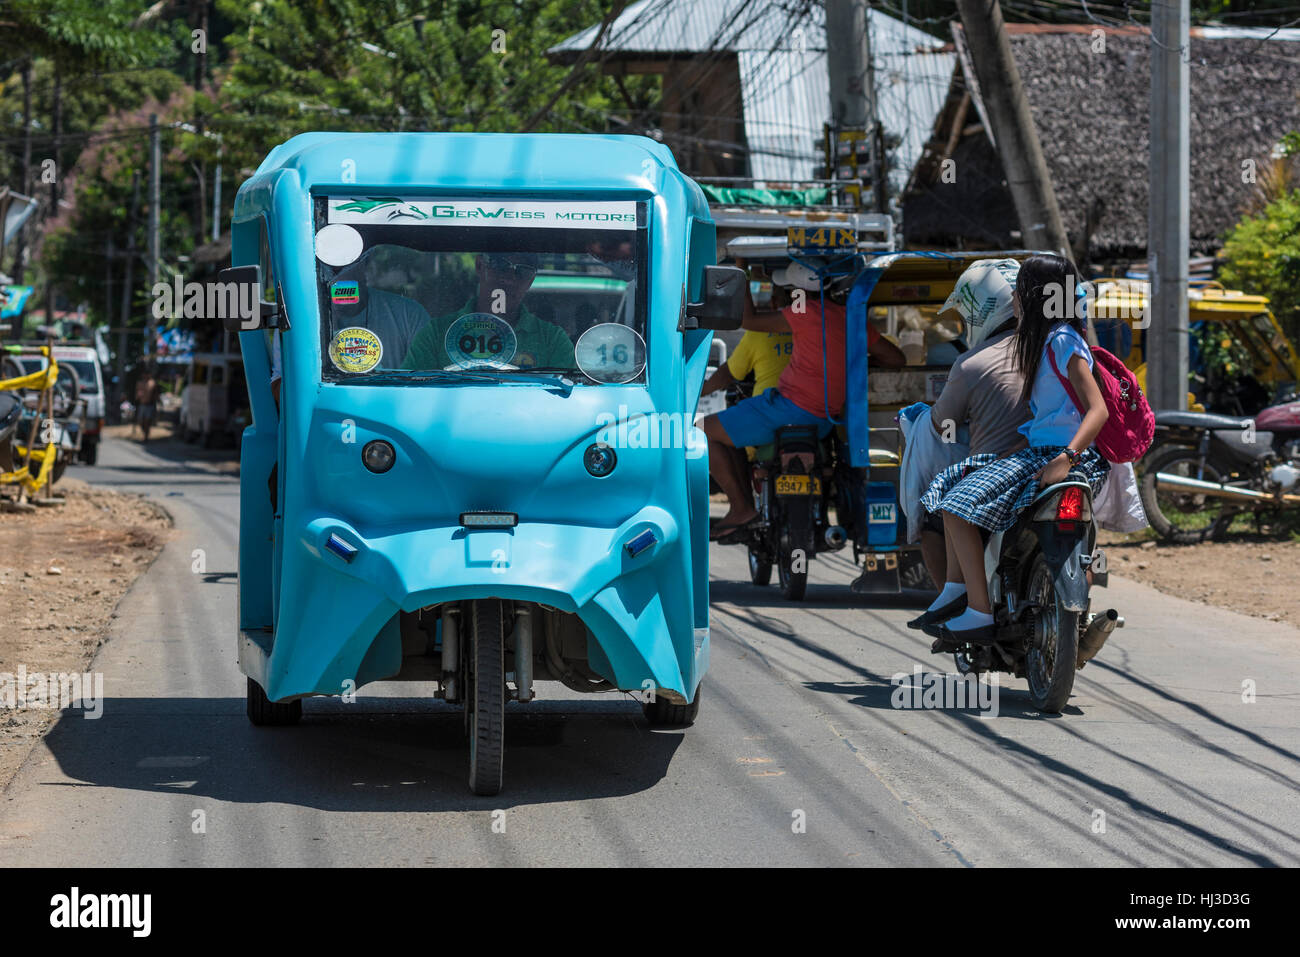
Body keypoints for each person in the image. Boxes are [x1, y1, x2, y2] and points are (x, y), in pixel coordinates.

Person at [918, 254, 1110, 648]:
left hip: (1058, 456)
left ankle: (976, 608)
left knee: (954, 506)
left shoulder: (1060, 340)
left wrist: (1067, 457)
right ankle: (961, 592)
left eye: (1020, 291)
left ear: (1033, 296)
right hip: (1038, 450)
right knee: (958, 481)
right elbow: (1053, 415)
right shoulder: (1048, 342)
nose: (1015, 300)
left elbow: (1098, 410)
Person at [702, 259, 906, 539]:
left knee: (702, 431)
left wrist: (742, 272)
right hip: (824, 421)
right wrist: (852, 359)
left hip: (786, 411)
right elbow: (896, 358)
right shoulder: (849, 317)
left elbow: (746, 320)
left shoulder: (803, 311)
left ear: (794, 291)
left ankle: (741, 508)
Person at [904, 259, 1030, 618]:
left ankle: (967, 603)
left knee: (939, 508)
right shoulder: (1053, 349)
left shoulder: (972, 363)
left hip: (1000, 467)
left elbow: (942, 420)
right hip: (1068, 457)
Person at [402, 253, 575, 371]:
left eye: (522, 271)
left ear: (531, 280)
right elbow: (409, 392)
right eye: (499, 265)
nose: (508, 278)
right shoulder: (436, 334)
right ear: (479, 265)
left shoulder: (552, 340)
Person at [134, 367, 160, 443]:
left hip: (150, 405)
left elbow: (156, 394)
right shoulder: (140, 383)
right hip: (142, 404)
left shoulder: (153, 383)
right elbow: (137, 394)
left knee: (147, 421)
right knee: (140, 421)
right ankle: (145, 433)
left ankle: (146, 437)